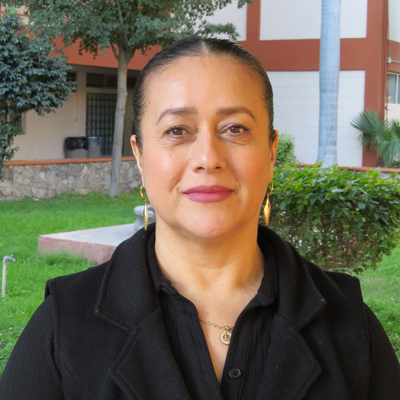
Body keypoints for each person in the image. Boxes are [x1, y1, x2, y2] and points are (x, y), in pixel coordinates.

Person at [0, 37, 399, 400]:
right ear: (139, 155)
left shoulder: (349, 324)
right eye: (177, 130)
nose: (208, 158)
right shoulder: (65, 325)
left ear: (271, 152)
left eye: (235, 128)